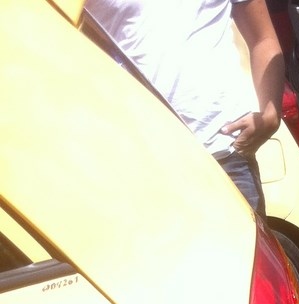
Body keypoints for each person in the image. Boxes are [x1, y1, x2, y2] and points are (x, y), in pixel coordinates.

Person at [85, 0, 285, 215]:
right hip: (141, 163)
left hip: (225, 154)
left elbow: (263, 38)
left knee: (247, 249)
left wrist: (271, 112)